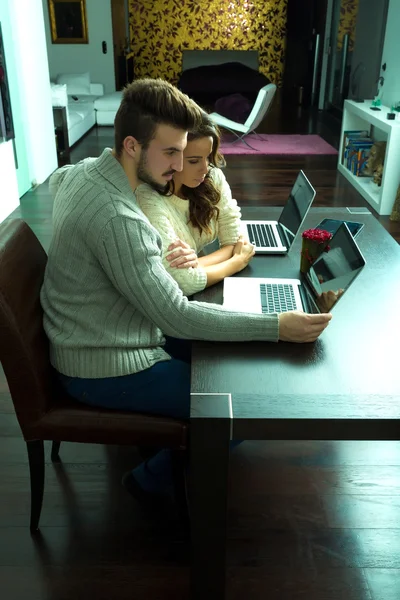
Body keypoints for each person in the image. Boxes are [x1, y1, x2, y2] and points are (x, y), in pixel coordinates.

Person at [41, 78, 332, 501]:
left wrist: (149, 259)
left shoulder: (82, 172)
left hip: (101, 334)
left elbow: (58, 183)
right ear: (131, 146)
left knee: (232, 363)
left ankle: (172, 443)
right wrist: (278, 326)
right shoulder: (121, 219)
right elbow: (176, 314)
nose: (180, 166)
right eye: (171, 152)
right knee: (241, 408)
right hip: (104, 364)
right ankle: (150, 478)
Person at [136, 112, 253, 296]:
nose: (205, 169)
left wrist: (196, 263)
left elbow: (235, 241)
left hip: (202, 285)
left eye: (207, 157)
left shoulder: (212, 177)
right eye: (194, 161)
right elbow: (181, 282)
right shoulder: (150, 200)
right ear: (171, 157)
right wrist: (235, 263)